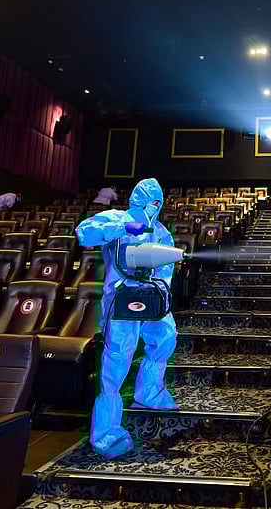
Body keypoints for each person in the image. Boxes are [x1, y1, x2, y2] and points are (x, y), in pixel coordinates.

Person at [75, 178, 178, 459]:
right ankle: (106, 431)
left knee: (166, 336)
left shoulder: (160, 231)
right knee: (118, 357)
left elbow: (165, 267)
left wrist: (161, 292)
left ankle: (150, 393)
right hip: (120, 301)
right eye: (150, 201)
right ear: (137, 200)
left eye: (158, 203)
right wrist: (124, 227)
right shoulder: (115, 219)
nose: (153, 207)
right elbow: (84, 233)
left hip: (152, 297)